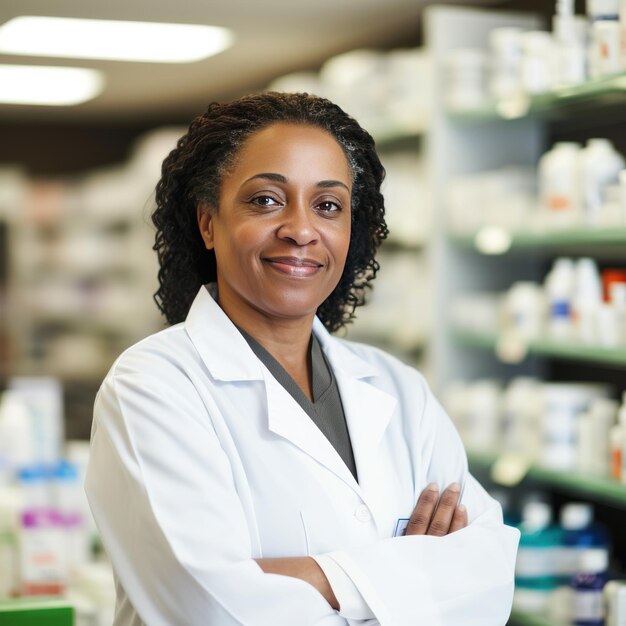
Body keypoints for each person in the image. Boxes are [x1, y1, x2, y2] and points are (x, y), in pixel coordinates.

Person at [85, 92, 519, 626]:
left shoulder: (398, 389)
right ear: (207, 222)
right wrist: (411, 575)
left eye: (328, 205)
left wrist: (302, 577)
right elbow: (208, 609)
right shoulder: (152, 387)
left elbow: (491, 575)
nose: (301, 229)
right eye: (266, 200)